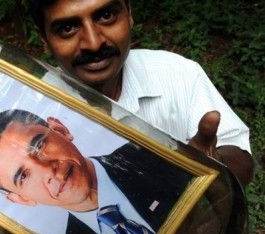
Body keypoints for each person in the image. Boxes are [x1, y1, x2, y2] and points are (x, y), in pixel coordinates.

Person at [26, 0, 253, 187]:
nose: (94, 44)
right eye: (67, 29)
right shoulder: (31, 111)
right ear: (44, 39)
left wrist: (212, 166)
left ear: (129, 13)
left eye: (106, 16)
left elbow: (241, 160)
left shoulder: (177, 73)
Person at [0, 109, 192, 234]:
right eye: (23, 176)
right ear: (21, 198)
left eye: (39, 145)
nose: (48, 169)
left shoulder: (151, 156)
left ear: (60, 130)